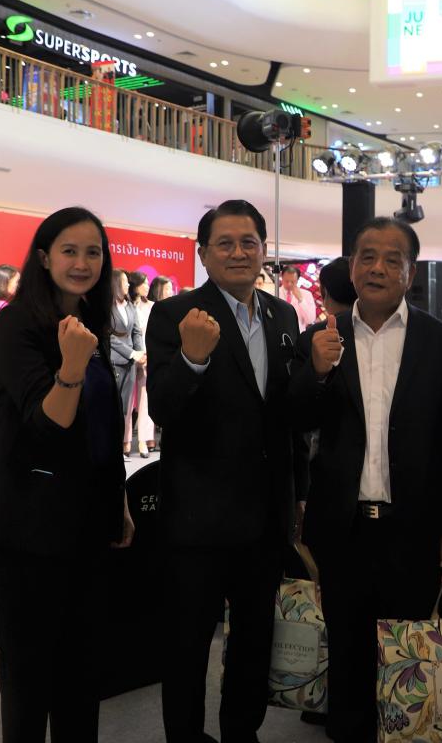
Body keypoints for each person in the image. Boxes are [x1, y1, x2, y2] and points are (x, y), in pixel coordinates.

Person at [289, 217, 442, 743]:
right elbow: (295, 419)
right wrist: (316, 372)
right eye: (367, 256)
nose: (378, 268)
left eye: (393, 259)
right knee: (347, 655)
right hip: (343, 528)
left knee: (410, 657)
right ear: (351, 266)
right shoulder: (320, 338)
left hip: (414, 529)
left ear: (410, 273)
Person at [0, 207, 133, 742]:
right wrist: (71, 364)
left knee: (82, 681)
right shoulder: (15, 323)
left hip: (87, 528)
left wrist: (118, 502)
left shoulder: (90, 321)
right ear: (44, 258)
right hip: (26, 531)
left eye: (93, 252)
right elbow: (47, 426)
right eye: (69, 251)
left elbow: (101, 432)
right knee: (28, 682)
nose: (82, 263)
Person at [146, 200, 303, 743]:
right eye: (225, 243)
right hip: (199, 516)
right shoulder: (176, 315)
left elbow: (284, 417)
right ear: (204, 254)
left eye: (249, 242)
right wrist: (192, 360)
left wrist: (298, 495)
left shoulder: (283, 316)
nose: (238, 252)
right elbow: (162, 409)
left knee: (254, 639)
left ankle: (241, 732)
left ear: (264, 250)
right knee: (187, 644)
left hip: (265, 515)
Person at [109, 269, 144, 460]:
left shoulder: (130, 306)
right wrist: (131, 353)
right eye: (125, 281)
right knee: (111, 408)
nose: (128, 284)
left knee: (124, 410)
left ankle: (118, 448)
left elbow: (136, 331)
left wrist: (140, 352)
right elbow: (108, 336)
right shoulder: (107, 306)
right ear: (116, 283)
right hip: (114, 361)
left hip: (131, 364)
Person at [128, 271, 155, 458]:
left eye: (148, 283)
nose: (147, 286)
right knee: (128, 402)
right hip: (129, 356)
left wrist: (146, 354)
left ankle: (143, 441)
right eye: (144, 283)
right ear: (135, 285)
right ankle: (125, 440)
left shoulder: (151, 306)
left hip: (147, 356)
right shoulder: (127, 305)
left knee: (145, 400)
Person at [280, 264, 317, 331]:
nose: (289, 284)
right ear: (282, 278)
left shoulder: (307, 294)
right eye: (286, 281)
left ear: (297, 280)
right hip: (279, 332)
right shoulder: (274, 293)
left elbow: (310, 320)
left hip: (299, 333)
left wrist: (301, 300)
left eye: (292, 281)